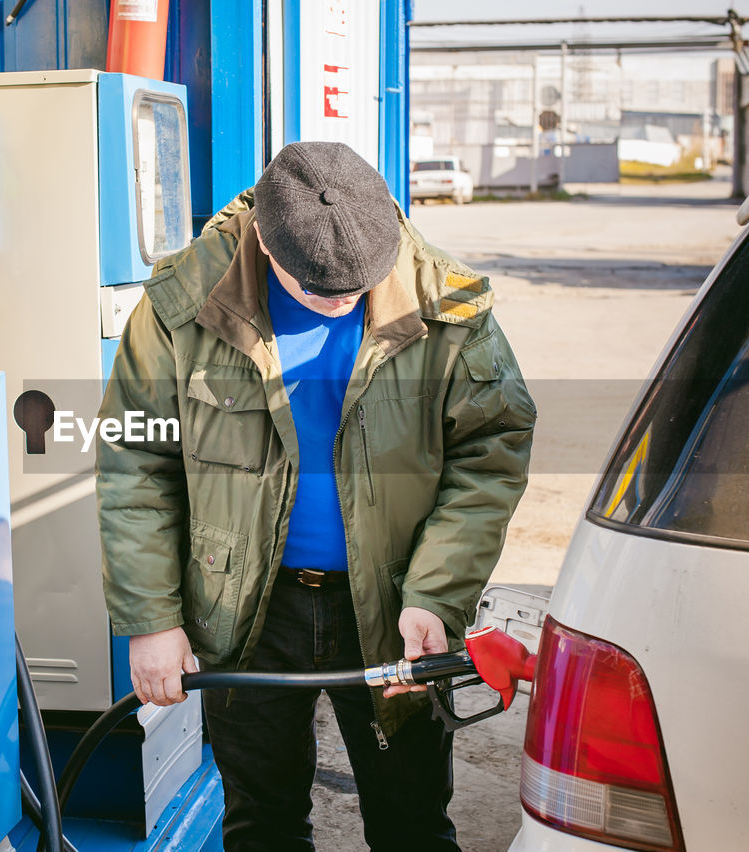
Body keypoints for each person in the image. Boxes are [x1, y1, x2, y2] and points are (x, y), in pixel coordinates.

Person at [95, 141, 535, 851]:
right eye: (320, 292)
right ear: (266, 242)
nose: (341, 304)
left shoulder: (445, 300)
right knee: (261, 825)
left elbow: (490, 452)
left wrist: (436, 594)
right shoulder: (183, 302)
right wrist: (151, 618)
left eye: (357, 289)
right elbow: (133, 456)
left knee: (413, 824)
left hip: (395, 609)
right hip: (245, 613)